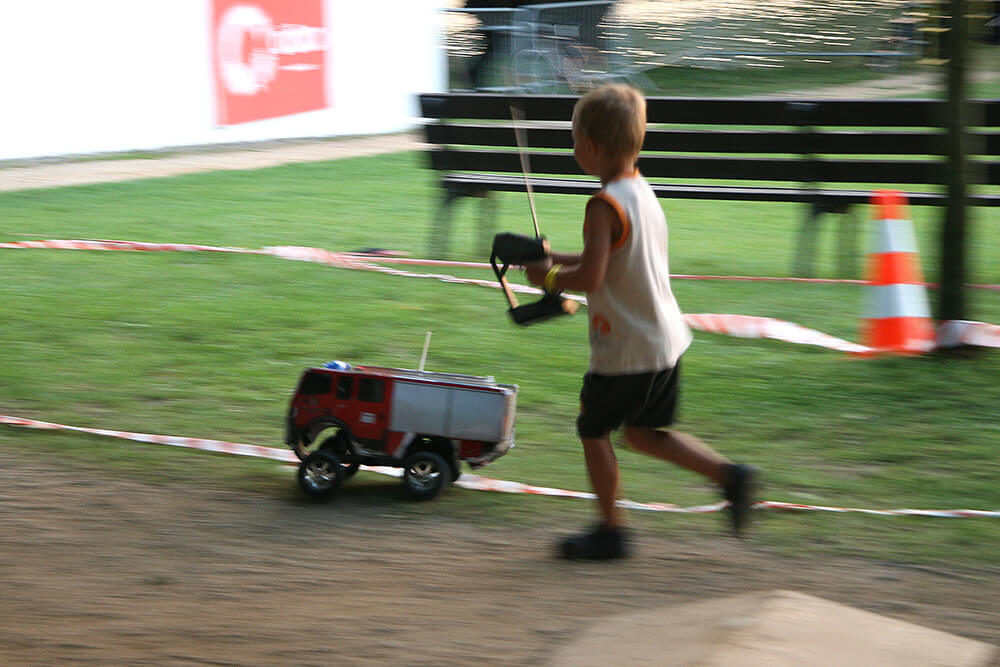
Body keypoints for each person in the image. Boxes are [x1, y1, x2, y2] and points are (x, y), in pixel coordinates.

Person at [524, 84, 758, 560]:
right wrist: (553, 258)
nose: (573, 147)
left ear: (591, 146)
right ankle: (730, 476)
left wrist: (546, 277)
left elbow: (591, 276)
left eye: (574, 139)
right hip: (664, 341)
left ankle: (611, 532)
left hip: (626, 349)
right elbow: (613, 257)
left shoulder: (601, 205)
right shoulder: (638, 191)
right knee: (643, 434)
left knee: (593, 429)